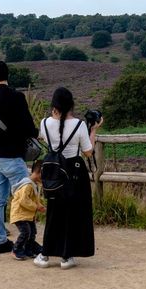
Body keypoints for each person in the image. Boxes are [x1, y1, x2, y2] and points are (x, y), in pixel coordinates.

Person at [34, 87, 101, 270]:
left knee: (53, 213)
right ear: (71, 104)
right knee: (72, 214)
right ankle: (66, 255)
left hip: (53, 172)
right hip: (73, 172)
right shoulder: (79, 125)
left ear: (54, 105)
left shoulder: (44, 123)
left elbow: (46, 141)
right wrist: (93, 130)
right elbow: (88, 152)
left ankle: (45, 253)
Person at [0, 59, 37, 254]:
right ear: (7, 75)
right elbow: (28, 127)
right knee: (24, 196)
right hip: (13, 156)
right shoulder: (17, 97)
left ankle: (0, 241)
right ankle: (27, 241)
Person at [9, 160, 46, 261]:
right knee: (26, 232)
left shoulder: (34, 185)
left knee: (32, 232)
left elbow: (34, 200)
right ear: (38, 173)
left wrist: (40, 206)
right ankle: (16, 249)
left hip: (28, 215)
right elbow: (24, 200)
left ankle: (29, 249)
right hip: (20, 214)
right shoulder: (27, 185)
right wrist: (36, 207)